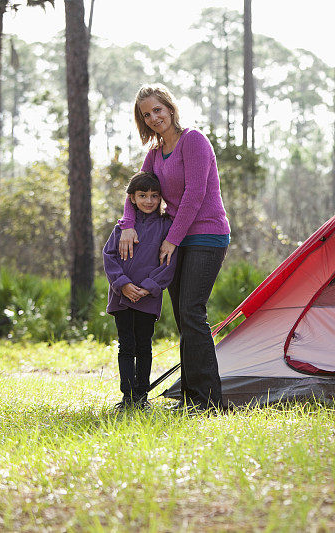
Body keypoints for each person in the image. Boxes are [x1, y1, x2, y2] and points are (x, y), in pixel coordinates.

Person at [118, 83, 230, 411]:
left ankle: (208, 400)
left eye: (158, 110)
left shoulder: (193, 141)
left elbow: (195, 194)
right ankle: (191, 396)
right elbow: (135, 192)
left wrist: (171, 239)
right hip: (177, 239)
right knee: (183, 316)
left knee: (192, 310)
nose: (154, 117)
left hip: (207, 235)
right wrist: (127, 226)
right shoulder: (154, 153)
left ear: (170, 108)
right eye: (146, 114)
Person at [103, 171, 176, 410]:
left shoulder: (167, 227)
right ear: (132, 198)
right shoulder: (122, 228)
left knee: (144, 346)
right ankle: (127, 397)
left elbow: (169, 264)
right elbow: (109, 256)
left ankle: (141, 397)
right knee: (126, 346)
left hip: (147, 298)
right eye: (142, 195)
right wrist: (122, 284)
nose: (149, 200)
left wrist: (148, 288)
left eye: (154, 196)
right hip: (122, 297)